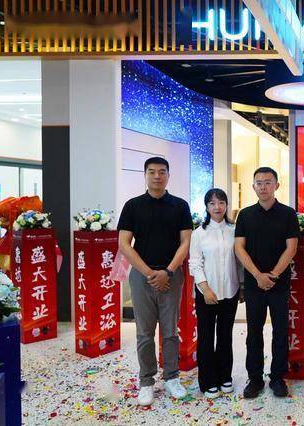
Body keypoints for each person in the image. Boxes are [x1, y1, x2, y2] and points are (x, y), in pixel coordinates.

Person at [118, 157, 193, 406]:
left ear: (169, 175)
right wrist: (150, 273)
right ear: (145, 175)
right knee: (144, 333)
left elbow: (185, 242)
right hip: (142, 277)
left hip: (172, 275)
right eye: (152, 172)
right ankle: (146, 381)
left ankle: (172, 377)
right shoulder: (133, 206)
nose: (157, 176)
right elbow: (124, 244)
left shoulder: (180, 206)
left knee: (170, 331)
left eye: (162, 172)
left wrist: (168, 272)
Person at [234, 167, 300, 399]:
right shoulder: (245, 215)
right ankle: (254, 379)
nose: (263, 186)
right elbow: (239, 247)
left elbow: (291, 247)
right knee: (254, 331)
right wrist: (257, 275)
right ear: (253, 186)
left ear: (276, 185)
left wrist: (272, 275)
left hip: (279, 284)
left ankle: (278, 377)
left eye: (268, 182)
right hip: (254, 285)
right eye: (259, 183)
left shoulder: (288, 214)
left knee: (280, 330)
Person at [189, 188, 243, 400]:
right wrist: (205, 289)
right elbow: (195, 264)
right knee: (206, 336)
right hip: (207, 293)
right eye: (212, 203)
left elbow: (239, 261)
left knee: (225, 335)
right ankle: (208, 380)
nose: (217, 207)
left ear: (226, 205)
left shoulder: (234, 230)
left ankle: (224, 376)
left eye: (221, 202)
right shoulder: (199, 233)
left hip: (230, 290)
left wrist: (241, 286)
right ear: (206, 206)